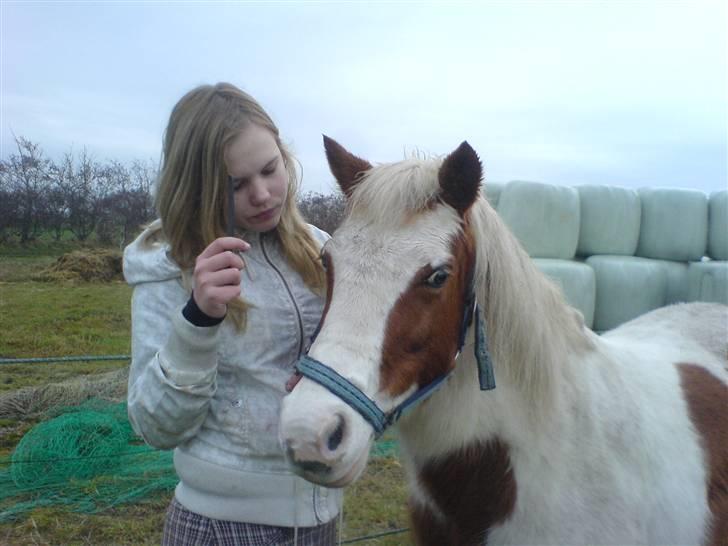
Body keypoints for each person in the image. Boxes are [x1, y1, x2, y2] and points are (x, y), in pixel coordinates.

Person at [123, 82, 342, 546]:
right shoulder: (173, 268)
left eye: (270, 169)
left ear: (285, 154)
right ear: (198, 186)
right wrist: (197, 322)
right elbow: (154, 426)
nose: (262, 194)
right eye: (236, 184)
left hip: (321, 517)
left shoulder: (322, 251)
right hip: (223, 527)